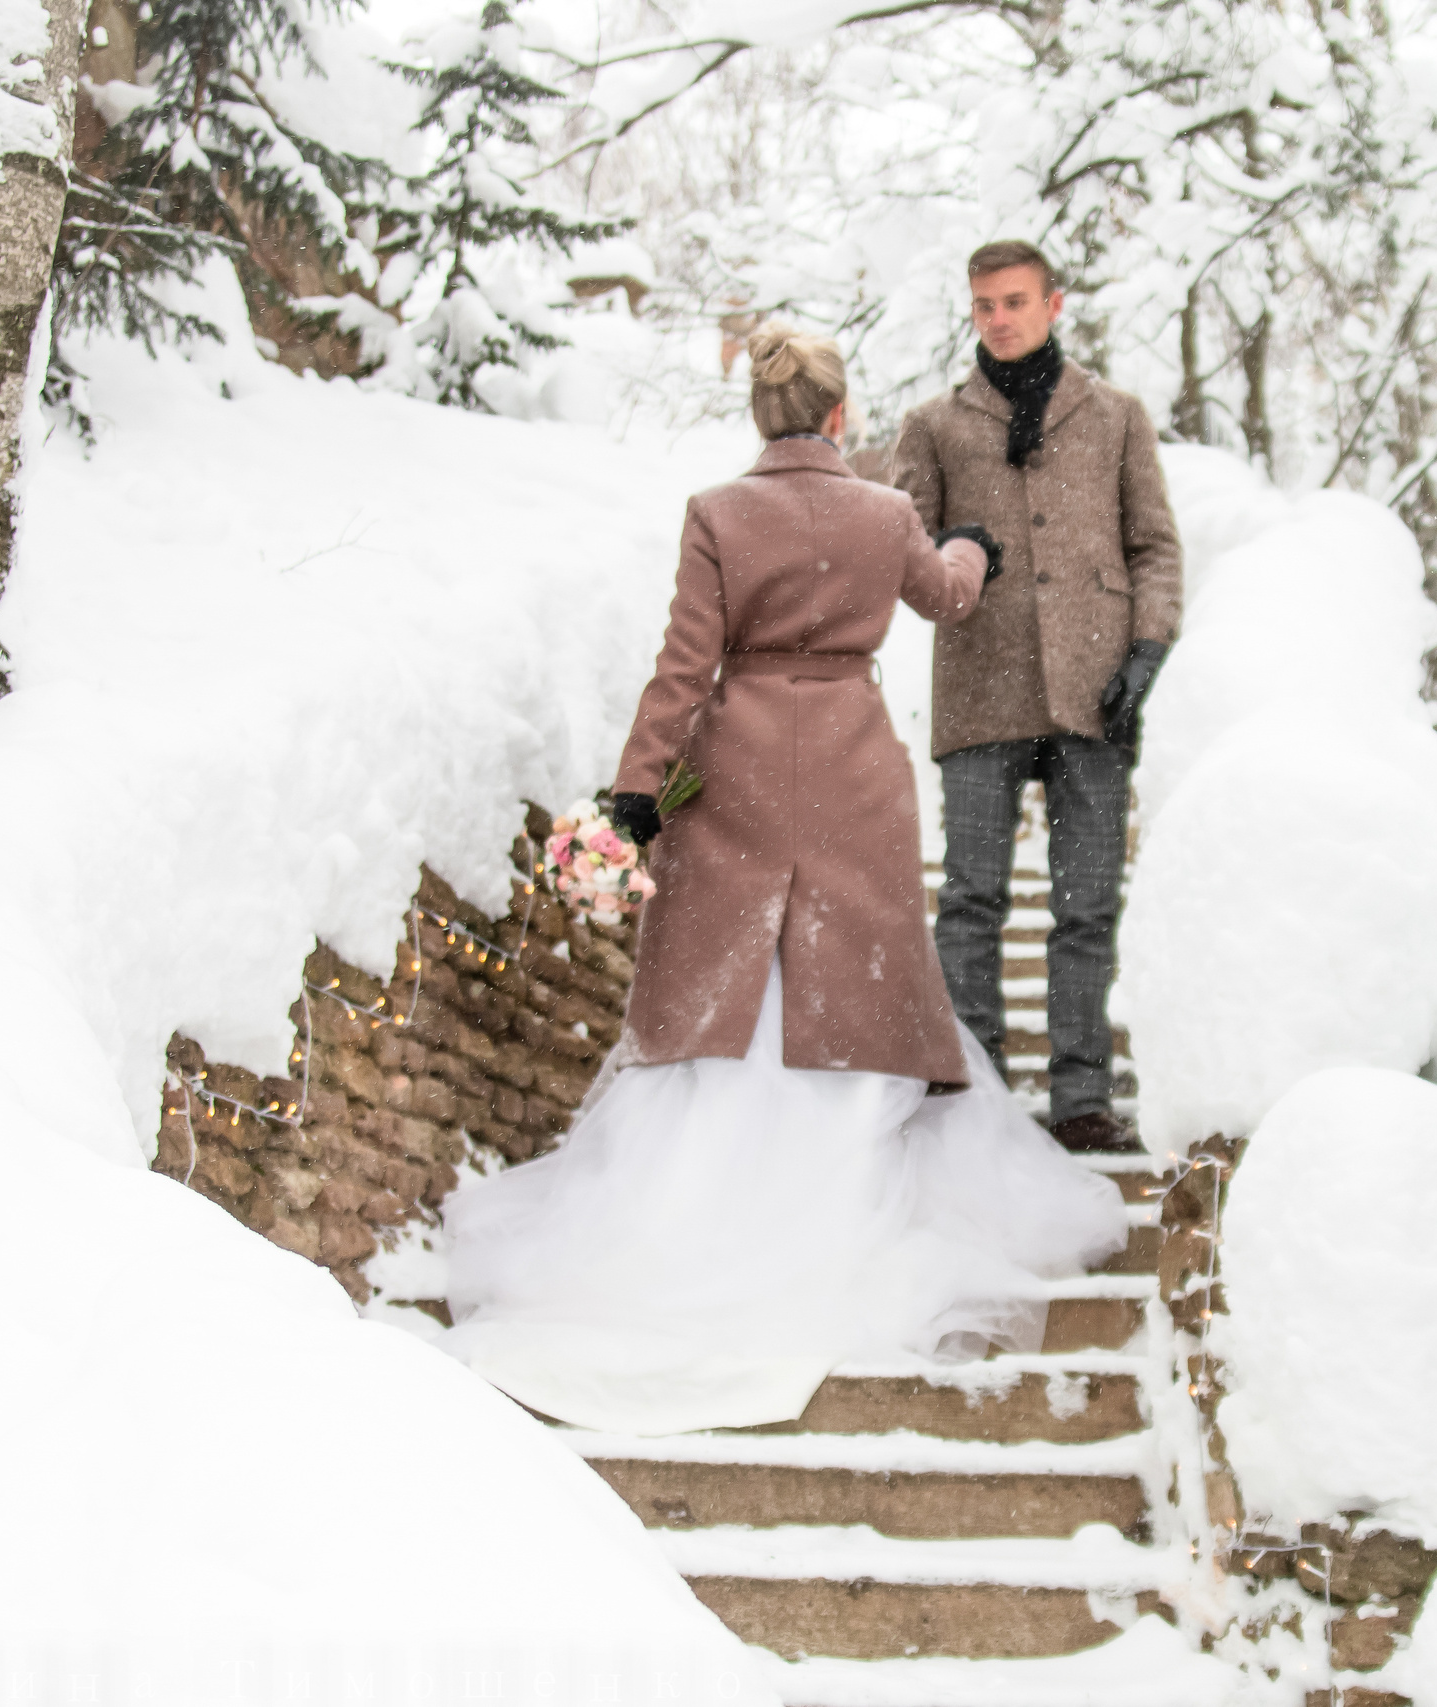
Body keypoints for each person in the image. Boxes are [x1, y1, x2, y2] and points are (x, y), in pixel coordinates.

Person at [434, 326, 1128, 1437]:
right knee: (853, 967)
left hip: (739, 762)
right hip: (851, 764)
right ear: (841, 416)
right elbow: (947, 600)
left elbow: (682, 668)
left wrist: (633, 799)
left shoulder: (717, 513)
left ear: (759, 418)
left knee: (723, 969)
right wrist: (973, 549)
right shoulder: (882, 514)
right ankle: (840, 1190)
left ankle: (683, 1213)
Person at [892, 241, 1183, 1154]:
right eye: (984, 305)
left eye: (1016, 301)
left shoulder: (1119, 418)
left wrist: (1147, 648)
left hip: (1097, 697)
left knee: (1086, 907)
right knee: (973, 899)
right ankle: (976, 1095)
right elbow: (902, 555)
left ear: (1054, 304)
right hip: (980, 694)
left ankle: (1083, 1101)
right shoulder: (933, 426)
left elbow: (1155, 548)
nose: (1000, 318)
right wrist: (951, 549)